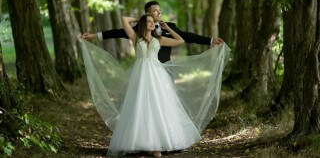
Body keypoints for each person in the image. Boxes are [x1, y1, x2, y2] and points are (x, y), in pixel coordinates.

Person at [81, 14, 230, 157]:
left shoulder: (159, 39)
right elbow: (124, 19)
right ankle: (141, 142)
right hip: (139, 75)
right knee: (140, 105)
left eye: (154, 22)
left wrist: (168, 28)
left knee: (159, 105)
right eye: (149, 21)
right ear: (143, 24)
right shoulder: (135, 37)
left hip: (157, 75)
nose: (153, 23)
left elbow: (180, 40)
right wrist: (139, 19)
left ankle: (158, 144)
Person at [82, 1, 224, 63]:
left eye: (159, 10)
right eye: (155, 10)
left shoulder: (170, 26)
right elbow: (116, 32)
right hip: (143, 70)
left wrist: (211, 40)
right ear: (148, 13)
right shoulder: (138, 30)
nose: (159, 12)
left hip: (165, 68)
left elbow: (187, 36)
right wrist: (94, 35)